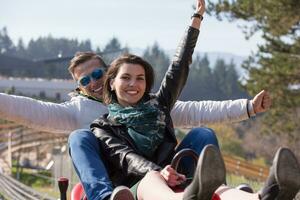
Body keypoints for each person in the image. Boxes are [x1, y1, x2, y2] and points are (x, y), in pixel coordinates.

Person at [135, 146, 300, 200]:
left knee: (218, 188)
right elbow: (125, 157)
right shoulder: (109, 127)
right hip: (133, 185)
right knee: (151, 176)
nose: (133, 84)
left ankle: (261, 198)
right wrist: (159, 171)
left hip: (174, 181)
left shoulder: (160, 111)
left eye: (140, 78)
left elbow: (204, 110)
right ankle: (189, 196)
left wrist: (249, 107)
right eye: (126, 77)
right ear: (111, 83)